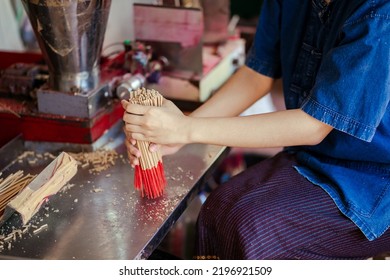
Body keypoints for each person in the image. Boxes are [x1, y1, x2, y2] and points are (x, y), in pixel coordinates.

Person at [122, 0, 390, 259]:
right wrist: (178, 133)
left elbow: (313, 126)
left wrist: (186, 129)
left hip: (374, 178)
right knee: (218, 209)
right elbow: (256, 76)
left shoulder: (378, 10)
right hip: (313, 156)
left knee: (249, 230)